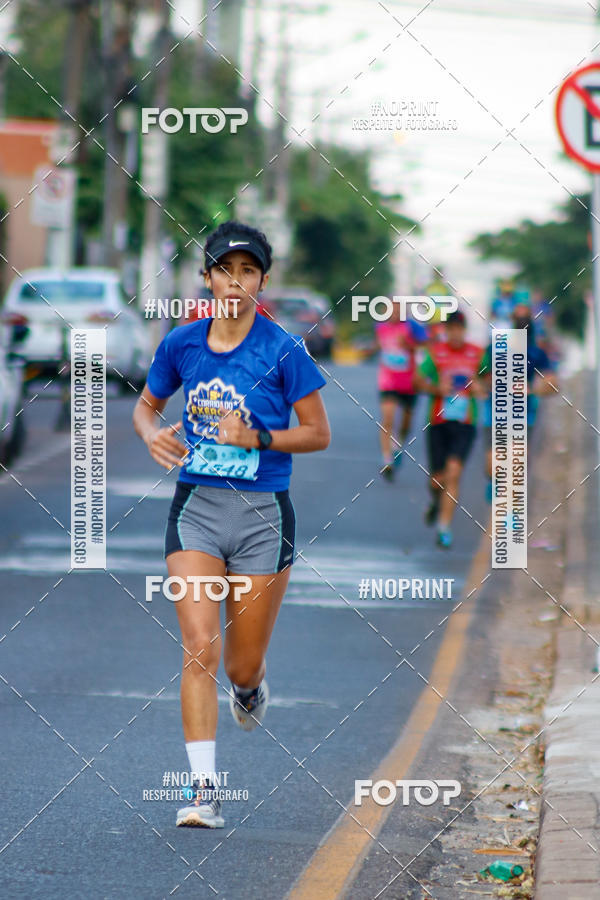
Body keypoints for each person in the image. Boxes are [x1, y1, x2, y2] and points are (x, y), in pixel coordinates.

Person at [132, 221, 330, 828]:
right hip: (197, 510)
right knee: (199, 647)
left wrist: (259, 438)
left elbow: (318, 433)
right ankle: (203, 792)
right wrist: (151, 435)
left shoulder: (283, 350)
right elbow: (146, 407)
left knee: (241, 665)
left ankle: (250, 687)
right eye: (225, 270)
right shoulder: (182, 343)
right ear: (208, 278)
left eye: (248, 271)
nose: (236, 282)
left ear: (262, 282)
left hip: (263, 518)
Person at [415, 309, 482, 549]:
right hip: (439, 423)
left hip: (465, 423)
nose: (455, 334)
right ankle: (436, 502)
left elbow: (493, 378)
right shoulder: (436, 353)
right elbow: (417, 381)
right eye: (451, 329)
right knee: (437, 481)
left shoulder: (478, 353)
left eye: (459, 329)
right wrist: (436, 388)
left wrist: (480, 386)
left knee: (454, 473)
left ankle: (444, 528)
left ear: (464, 330)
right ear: (446, 331)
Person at [479, 299, 557, 502]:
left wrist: (533, 389)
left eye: (526, 318)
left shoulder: (537, 352)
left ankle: (509, 508)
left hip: (523, 415)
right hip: (495, 414)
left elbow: (552, 383)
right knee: (493, 466)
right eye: (519, 318)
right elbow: (481, 376)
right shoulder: (496, 348)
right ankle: (495, 481)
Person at [375, 301, 427, 480]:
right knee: (387, 418)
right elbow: (379, 346)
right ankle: (387, 460)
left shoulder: (412, 327)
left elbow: (425, 346)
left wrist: (409, 345)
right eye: (391, 310)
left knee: (406, 424)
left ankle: (397, 446)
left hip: (409, 382)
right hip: (388, 382)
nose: (395, 314)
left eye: (398, 310)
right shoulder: (381, 328)